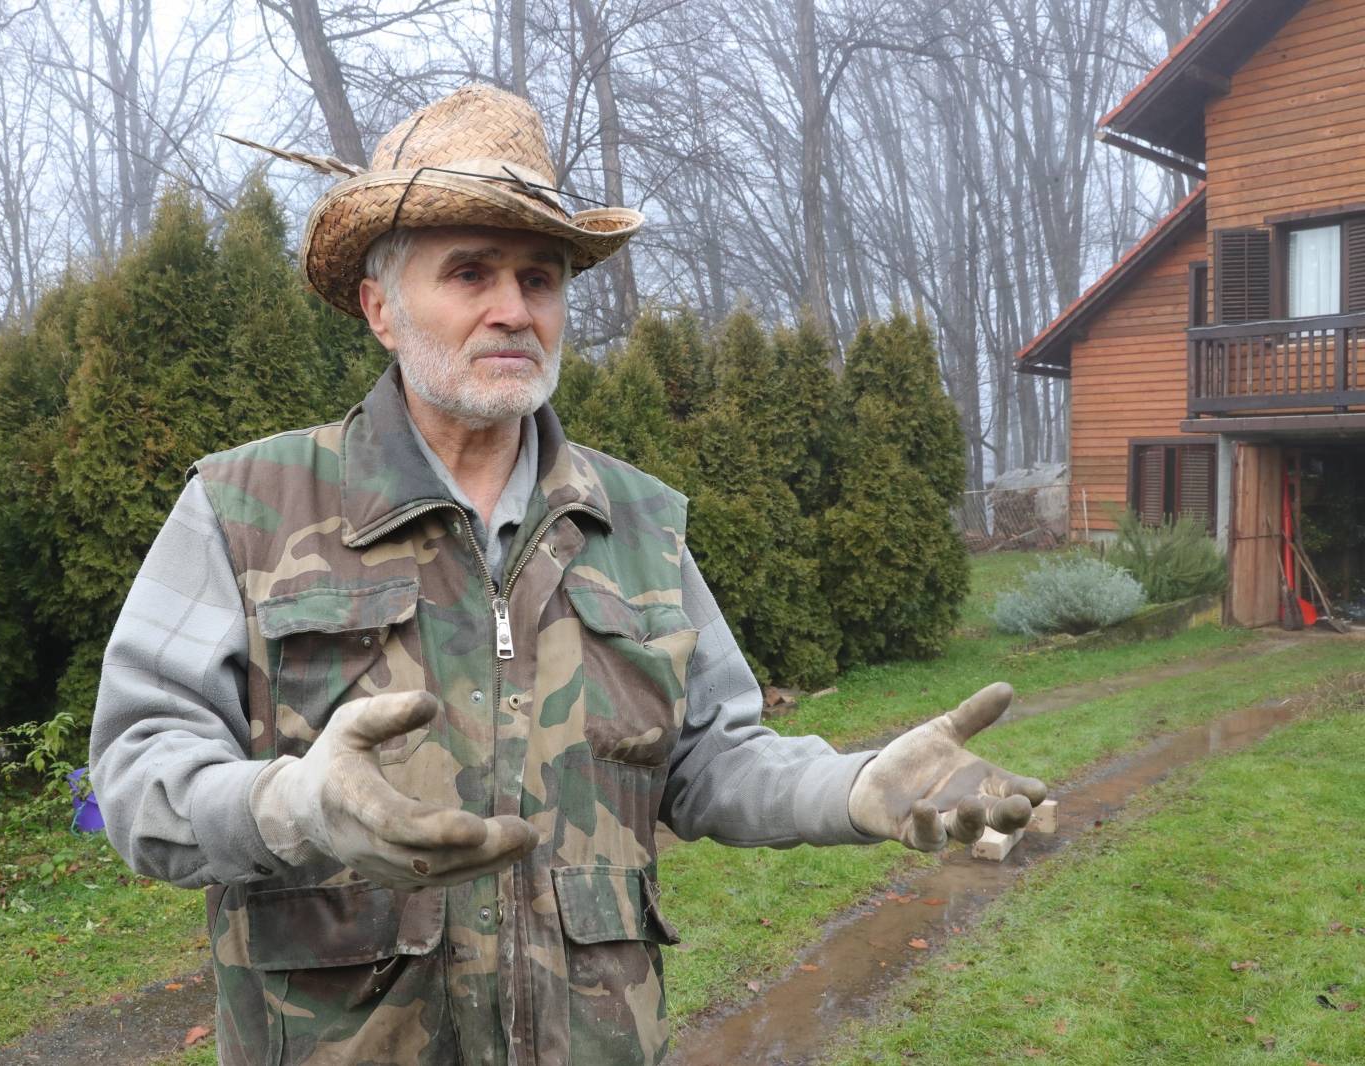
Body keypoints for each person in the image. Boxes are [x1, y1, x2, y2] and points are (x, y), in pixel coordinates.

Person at [89, 84, 1045, 1066]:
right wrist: (295, 807)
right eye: (470, 273)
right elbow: (133, 774)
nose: (513, 310)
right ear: (380, 306)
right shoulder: (247, 506)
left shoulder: (636, 523)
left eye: (539, 280)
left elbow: (710, 759)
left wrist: (853, 789)